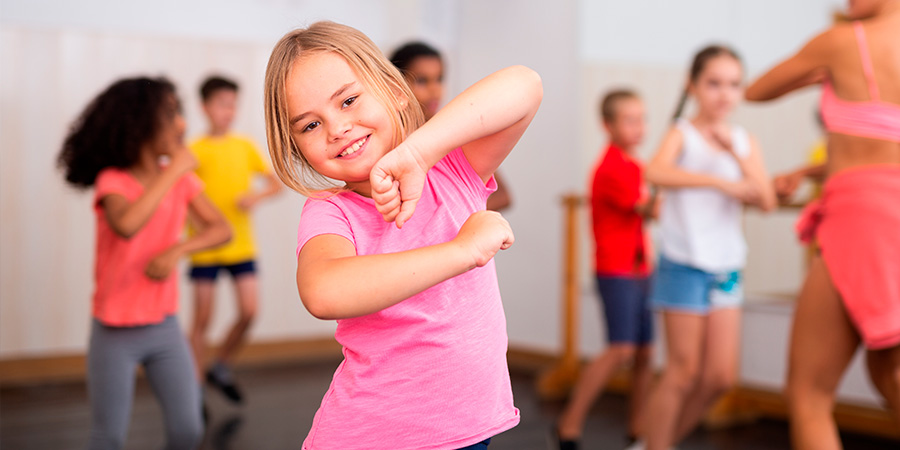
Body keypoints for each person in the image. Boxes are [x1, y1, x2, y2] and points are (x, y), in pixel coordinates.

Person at [263, 21, 541, 449]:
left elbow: (525, 86)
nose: (337, 128)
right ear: (296, 146)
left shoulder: (451, 171)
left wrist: (417, 152)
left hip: (469, 430)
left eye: (350, 100)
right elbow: (323, 291)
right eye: (310, 126)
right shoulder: (329, 212)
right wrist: (461, 251)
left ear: (395, 91)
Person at [745, 0, 900, 448]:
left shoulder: (841, 42)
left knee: (808, 393)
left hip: (861, 218)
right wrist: (810, 172)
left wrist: (820, 72)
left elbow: (757, 89)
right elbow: (879, 139)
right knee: (886, 370)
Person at [57, 77, 231, 449]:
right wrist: (174, 169)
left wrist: (177, 251)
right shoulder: (113, 181)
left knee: (188, 430)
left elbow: (221, 230)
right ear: (138, 123)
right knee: (108, 438)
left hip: (164, 327)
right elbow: (127, 225)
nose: (181, 123)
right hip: (114, 332)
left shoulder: (181, 182)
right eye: (170, 114)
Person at [638, 45, 777, 450]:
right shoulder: (681, 132)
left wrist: (733, 153)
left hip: (727, 265)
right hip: (683, 263)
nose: (724, 94)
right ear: (693, 85)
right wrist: (720, 182)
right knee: (682, 372)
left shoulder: (744, 139)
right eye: (714, 83)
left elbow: (766, 201)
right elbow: (655, 170)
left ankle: (654, 445)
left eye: (734, 84)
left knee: (720, 379)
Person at [554, 90, 656, 450]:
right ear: (607, 125)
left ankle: (638, 429)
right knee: (621, 350)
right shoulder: (612, 167)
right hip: (617, 270)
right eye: (629, 120)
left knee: (645, 352)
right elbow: (650, 209)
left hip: (642, 268)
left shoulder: (635, 163)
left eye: (641, 118)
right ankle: (570, 422)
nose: (638, 127)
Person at [187, 75, 282, 405]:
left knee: (249, 311)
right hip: (205, 250)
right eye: (221, 105)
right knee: (202, 320)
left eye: (232, 105)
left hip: (241, 245)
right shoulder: (193, 151)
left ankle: (222, 365)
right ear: (205, 107)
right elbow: (182, 197)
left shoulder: (243, 146)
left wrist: (255, 198)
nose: (228, 111)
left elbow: (274, 184)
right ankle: (195, 387)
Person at [390, 41, 513, 212]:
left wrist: (454, 218)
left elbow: (502, 196)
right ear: (396, 84)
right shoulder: (389, 139)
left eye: (439, 79)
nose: (434, 90)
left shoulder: (456, 132)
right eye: (422, 81)